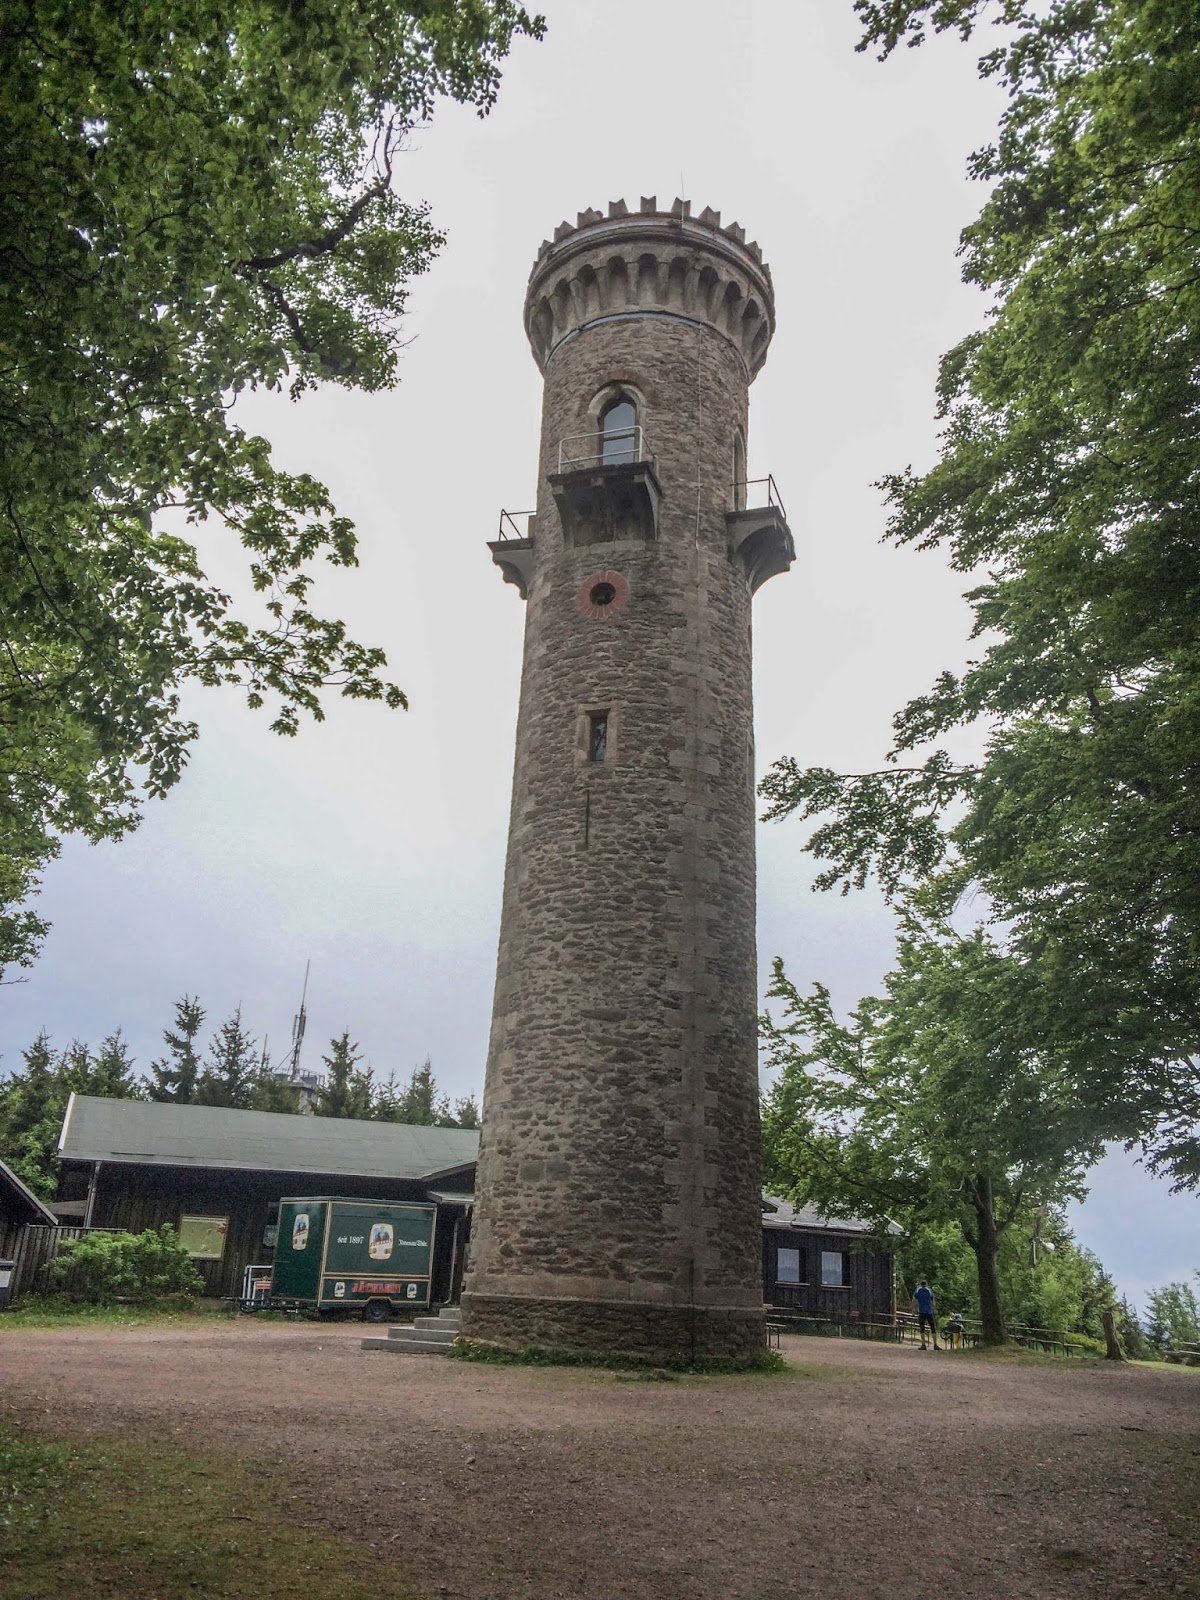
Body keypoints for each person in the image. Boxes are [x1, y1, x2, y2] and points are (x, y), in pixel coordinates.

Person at [913, 1280, 940, 1349]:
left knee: (922, 1327)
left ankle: (923, 1344)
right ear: (926, 1284)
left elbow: (914, 1300)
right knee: (933, 1327)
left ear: (920, 1284)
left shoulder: (917, 1290)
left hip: (921, 1311)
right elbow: (933, 1301)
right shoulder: (929, 1290)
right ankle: (935, 1345)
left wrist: (914, 1308)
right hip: (929, 1312)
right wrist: (932, 1307)